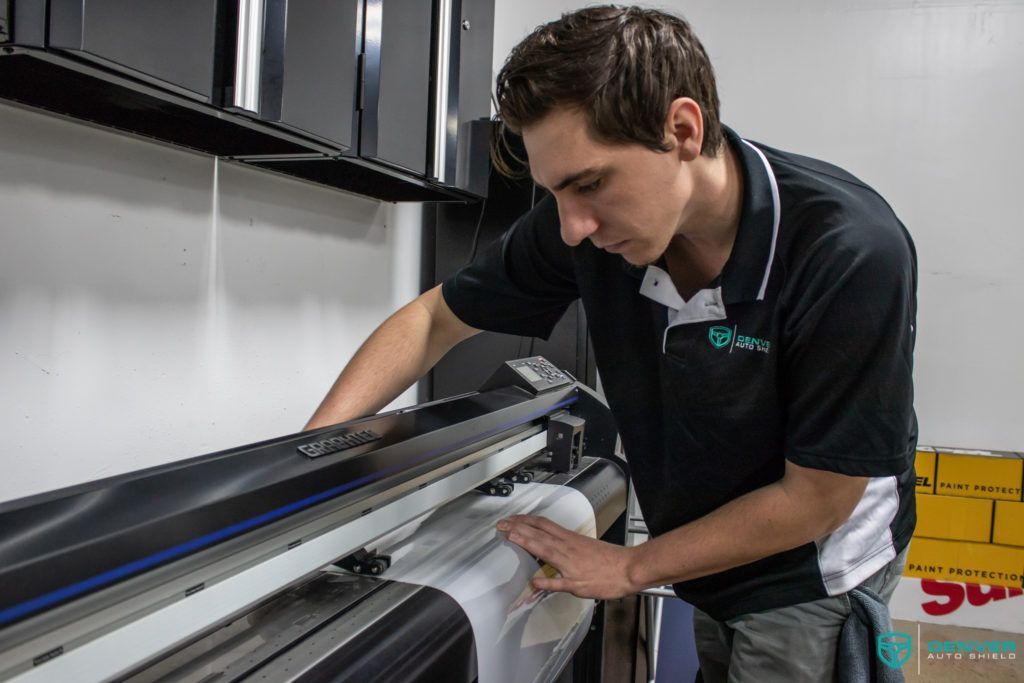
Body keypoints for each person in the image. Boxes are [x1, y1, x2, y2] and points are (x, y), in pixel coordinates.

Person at [306, 6, 917, 681]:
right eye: (553, 192)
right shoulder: (591, 231)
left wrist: (631, 566)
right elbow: (433, 319)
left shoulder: (846, 251)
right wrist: (310, 466)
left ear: (682, 130)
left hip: (809, 578)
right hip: (705, 552)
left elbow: (818, 497)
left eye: (590, 183)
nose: (571, 227)